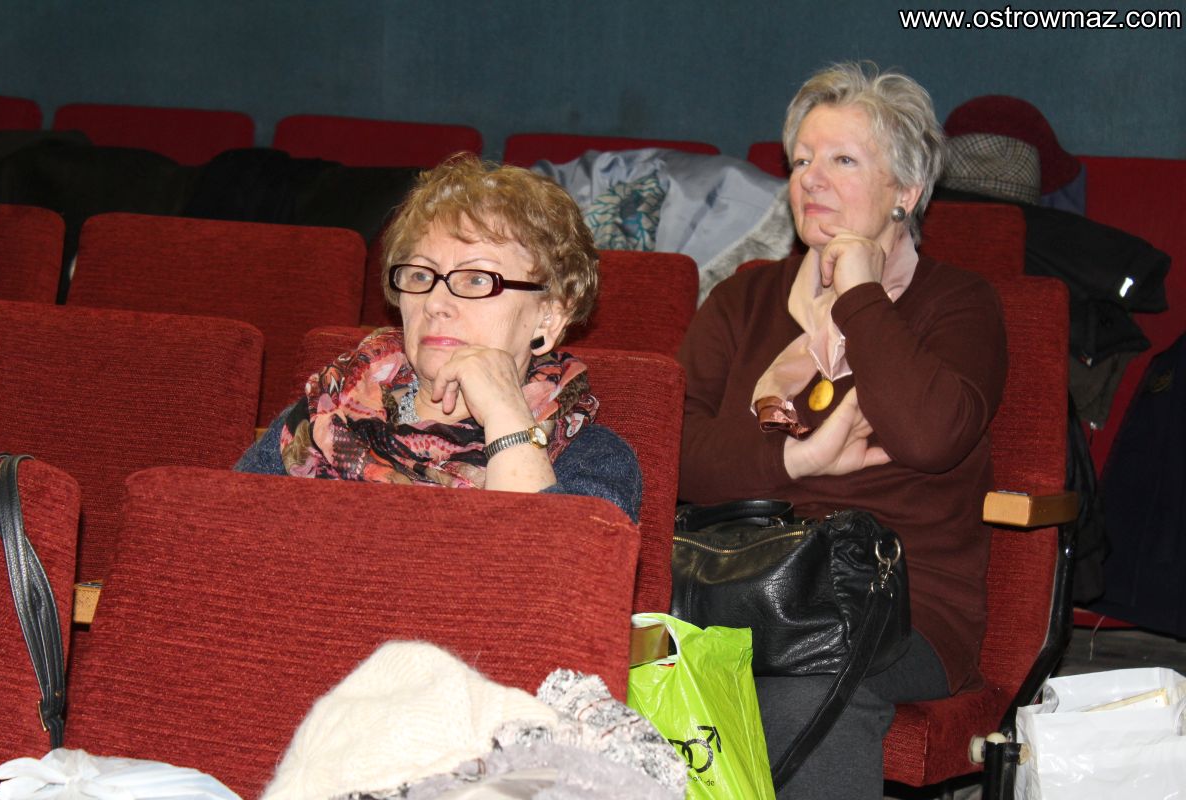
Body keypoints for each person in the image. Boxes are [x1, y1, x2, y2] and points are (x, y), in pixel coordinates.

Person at [676, 62, 1007, 798]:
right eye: (801, 162)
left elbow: (929, 436)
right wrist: (795, 462)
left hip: (900, 602)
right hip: (735, 583)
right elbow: (670, 451)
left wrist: (859, 291)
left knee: (802, 683)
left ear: (906, 192)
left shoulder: (959, 304)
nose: (811, 180)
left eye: (843, 161)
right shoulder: (743, 301)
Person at [236, 155, 641, 523]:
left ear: (549, 316)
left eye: (477, 279)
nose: (435, 302)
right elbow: (222, 542)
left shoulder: (591, 458)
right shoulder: (322, 416)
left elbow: (551, 571)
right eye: (420, 275)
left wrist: (506, 416)